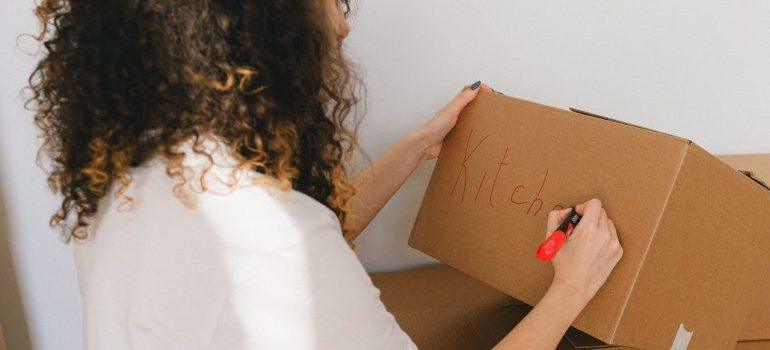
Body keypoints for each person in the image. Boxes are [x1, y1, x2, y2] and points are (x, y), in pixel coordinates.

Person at [27, 0, 622, 349]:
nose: (343, 24)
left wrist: (414, 148)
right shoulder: (274, 239)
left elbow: (288, 268)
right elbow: (291, 256)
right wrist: (571, 289)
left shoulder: (136, 178)